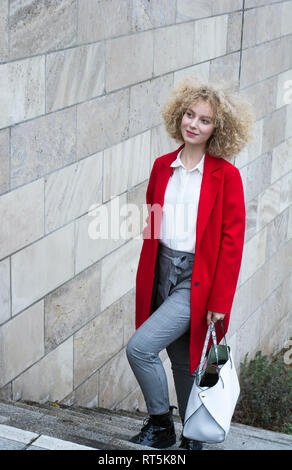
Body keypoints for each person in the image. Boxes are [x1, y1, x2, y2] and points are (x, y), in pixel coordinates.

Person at [126, 76, 255, 450]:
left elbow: (232, 243)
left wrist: (219, 302)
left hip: (196, 278)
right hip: (161, 270)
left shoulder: (226, 176)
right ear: (178, 116)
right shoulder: (162, 166)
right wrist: (149, 275)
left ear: (218, 128)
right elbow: (152, 225)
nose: (193, 124)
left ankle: (161, 423)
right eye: (189, 114)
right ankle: (192, 439)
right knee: (182, 360)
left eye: (205, 119)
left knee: (140, 348)